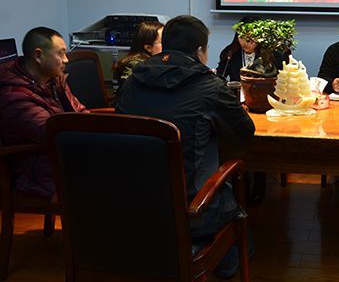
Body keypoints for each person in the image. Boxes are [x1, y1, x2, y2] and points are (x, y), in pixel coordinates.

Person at [115, 15, 255, 279]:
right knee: (243, 237)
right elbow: (244, 132)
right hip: (192, 210)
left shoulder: (133, 80)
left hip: (132, 202)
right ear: (200, 51)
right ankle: (221, 260)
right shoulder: (209, 86)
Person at [0, 27, 87, 198]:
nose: (66, 59)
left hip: (63, 155)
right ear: (38, 56)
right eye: (60, 53)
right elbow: (52, 133)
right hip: (38, 171)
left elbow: (79, 111)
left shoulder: (53, 79)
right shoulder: (13, 94)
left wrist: (100, 131)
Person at [113, 21, 164, 89]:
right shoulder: (136, 66)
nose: (168, 44)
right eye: (163, 41)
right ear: (148, 48)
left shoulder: (158, 61)